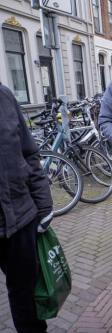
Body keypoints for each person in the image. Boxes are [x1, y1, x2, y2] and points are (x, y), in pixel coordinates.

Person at [0, 83, 54, 333]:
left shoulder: (3, 95)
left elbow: (29, 152)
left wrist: (43, 205)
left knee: (25, 296)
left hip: (20, 216)